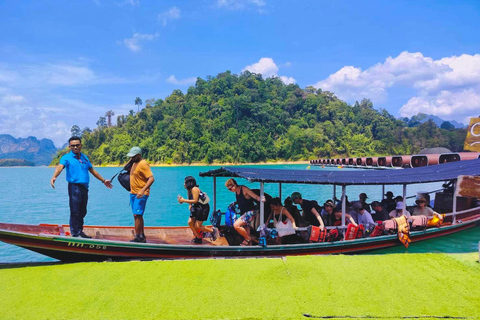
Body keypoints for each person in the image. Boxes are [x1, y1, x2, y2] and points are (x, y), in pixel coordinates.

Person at [50, 136, 113, 238]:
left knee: (83, 210)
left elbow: (92, 170)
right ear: (70, 146)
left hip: (84, 187)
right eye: (73, 146)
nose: (75, 147)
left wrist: (103, 180)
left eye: (77, 145)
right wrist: (54, 176)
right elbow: (60, 167)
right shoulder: (66, 158)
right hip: (74, 187)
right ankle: (75, 233)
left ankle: (80, 230)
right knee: (75, 210)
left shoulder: (84, 157)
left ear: (81, 146)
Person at [178, 176, 218, 244]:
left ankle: (213, 231)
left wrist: (183, 200)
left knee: (197, 226)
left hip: (202, 208)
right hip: (196, 207)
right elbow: (191, 199)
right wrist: (189, 205)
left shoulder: (194, 189)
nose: (184, 184)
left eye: (185, 182)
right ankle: (198, 237)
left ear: (189, 183)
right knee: (190, 222)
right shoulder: (189, 190)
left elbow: (195, 200)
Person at [225, 178, 265, 246]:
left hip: (250, 212)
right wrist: (235, 203)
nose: (230, 191)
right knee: (247, 231)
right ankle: (250, 250)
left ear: (234, 185)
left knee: (236, 225)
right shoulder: (236, 192)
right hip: (244, 213)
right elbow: (242, 200)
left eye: (230, 189)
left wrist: (261, 198)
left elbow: (254, 196)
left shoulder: (243, 189)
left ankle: (247, 238)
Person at [127, 147, 155, 243]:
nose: (132, 158)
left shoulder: (143, 164)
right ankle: (141, 236)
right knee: (136, 216)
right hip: (133, 193)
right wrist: (131, 160)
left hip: (140, 193)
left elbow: (151, 178)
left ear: (139, 155)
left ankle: (138, 237)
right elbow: (123, 168)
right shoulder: (134, 163)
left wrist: (143, 190)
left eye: (133, 156)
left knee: (137, 214)